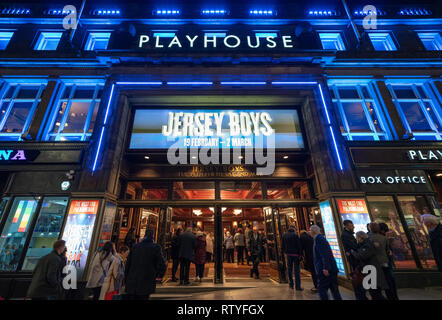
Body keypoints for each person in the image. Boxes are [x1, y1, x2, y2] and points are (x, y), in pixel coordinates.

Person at [125, 229, 166, 300]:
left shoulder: (135, 247)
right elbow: (161, 264)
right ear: (153, 236)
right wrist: (159, 275)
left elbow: (128, 264)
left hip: (132, 281)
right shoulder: (155, 248)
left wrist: (126, 278)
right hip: (146, 281)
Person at [351, 231, 389, 300]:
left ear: (360, 237)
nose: (356, 239)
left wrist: (353, 252)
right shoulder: (365, 244)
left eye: (357, 237)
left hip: (372, 271)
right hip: (369, 270)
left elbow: (361, 255)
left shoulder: (367, 245)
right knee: (374, 292)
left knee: (375, 292)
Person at [310, 225, 342, 300]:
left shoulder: (319, 239)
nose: (309, 232)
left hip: (326, 270)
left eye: (310, 230)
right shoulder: (319, 239)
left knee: (322, 289)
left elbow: (324, 254)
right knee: (334, 290)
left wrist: (325, 268)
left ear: (313, 231)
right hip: (329, 269)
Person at [369, 222, 399, 300]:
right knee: (389, 282)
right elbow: (388, 250)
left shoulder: (369, 238)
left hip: (374, 264)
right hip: (385, 262)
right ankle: (392, 297)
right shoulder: (384, 238)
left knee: (376, 285)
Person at [341, 220, 367, 300]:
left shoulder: (348, 234)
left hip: (354, 257)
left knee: (358, 275)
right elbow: (353, 246)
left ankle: (361, 293)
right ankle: (360, 294)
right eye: (351, 225)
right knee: (358, 275)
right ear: (347, 226)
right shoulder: (345, 235)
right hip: (354, 258)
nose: (353, 226)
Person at [379, 222, 399, 299]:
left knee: (388, 280)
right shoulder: (385, 238)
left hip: (385, 262)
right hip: (388, 261)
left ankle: (392, 296)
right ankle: (394, 296)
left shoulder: (383, 238)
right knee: (390, 280)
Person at [282, 225, 303, 290]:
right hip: (296, 255)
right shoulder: (295, 235)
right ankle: (298, 286)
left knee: (289, 269)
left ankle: (291, 284)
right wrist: (300, 254)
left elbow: (283, 245)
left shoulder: (284, 235)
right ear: (294, 229)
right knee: (297, 270)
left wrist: (284, 252)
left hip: (288, 254)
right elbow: (299, 245)